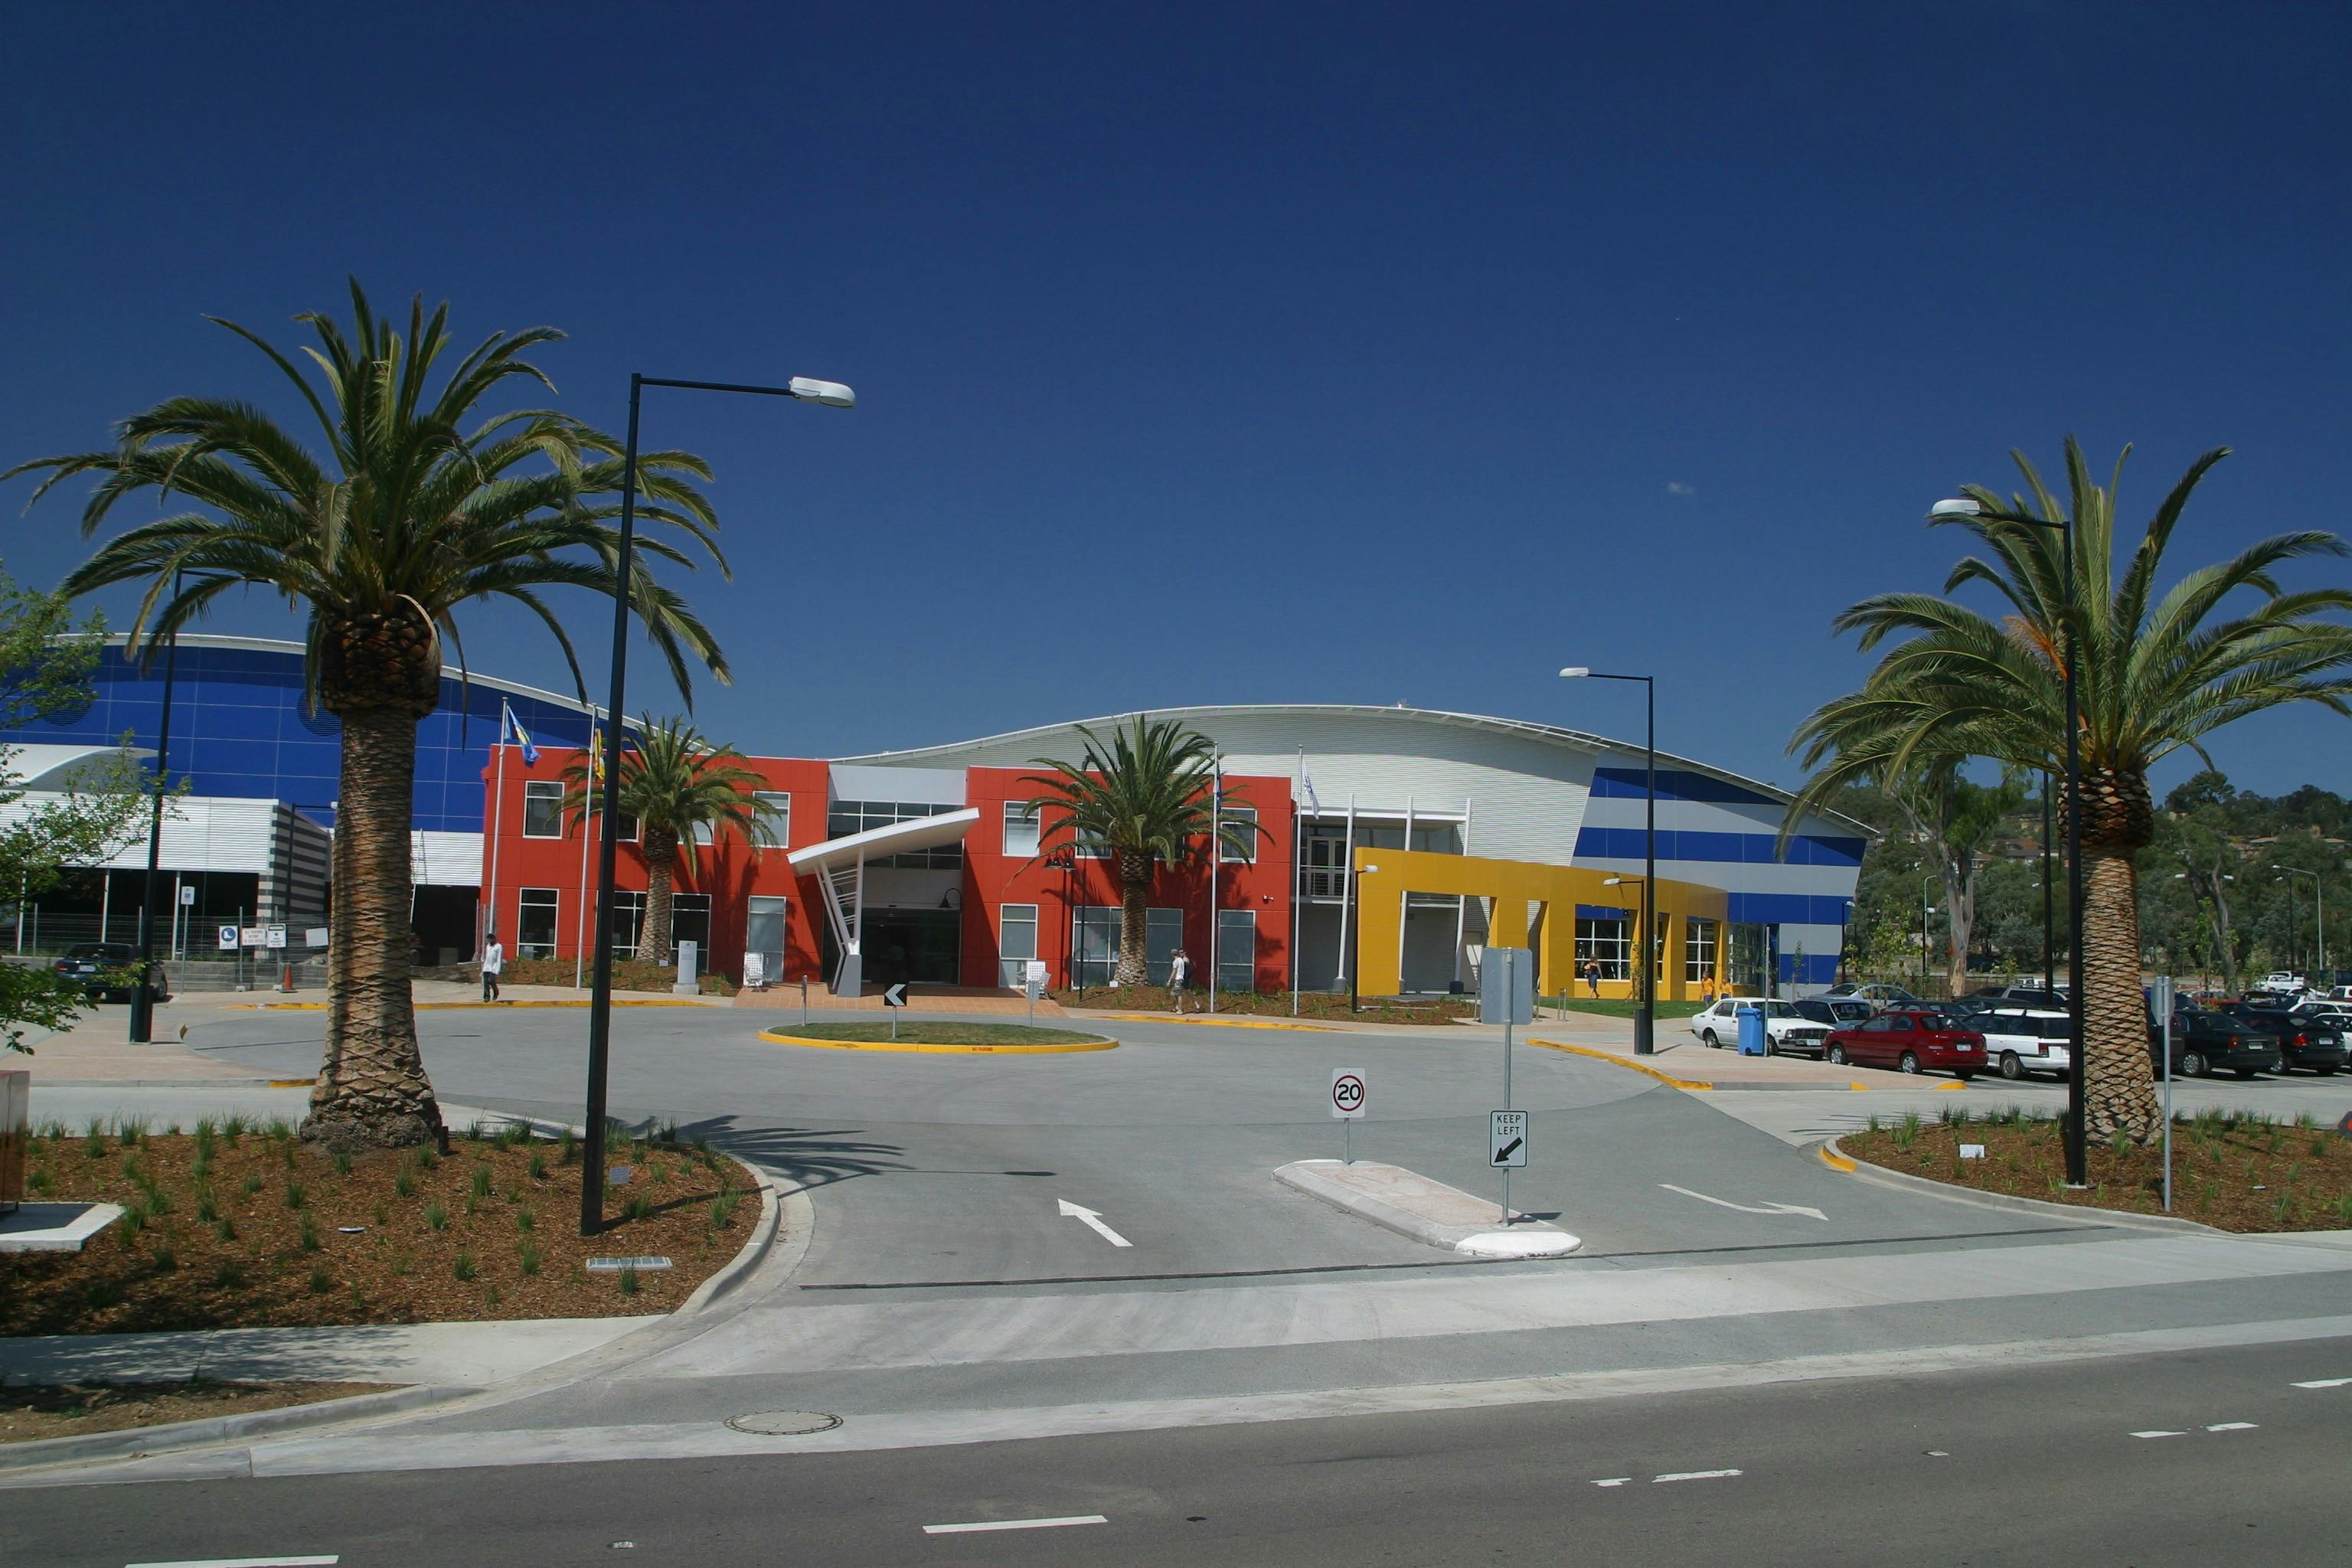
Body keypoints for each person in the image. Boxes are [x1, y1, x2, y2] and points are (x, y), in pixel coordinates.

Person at [480, 935, 505, 1003]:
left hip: (494, 967)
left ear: (494, 939)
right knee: (485, 983)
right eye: (488, 940)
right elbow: (488, 956)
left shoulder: (499, 946)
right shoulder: (488, 946)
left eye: (490, 940)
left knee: (491, 981)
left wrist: (497, 970)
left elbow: (499, 958)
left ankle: (496, 992)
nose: (489, 942)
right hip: (486, 967)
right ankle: (486, 997)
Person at [1168, 948, 1192, 1014]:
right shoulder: (1181, 960)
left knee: (1178, 995)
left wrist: (1170, 980)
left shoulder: (1176, 961)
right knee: (1174, 994)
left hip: (1178, 979)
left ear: (1172, 955)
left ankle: (1180, 1010)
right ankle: (1178, 1007)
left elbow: (1174, 971)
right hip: (1181, 979)